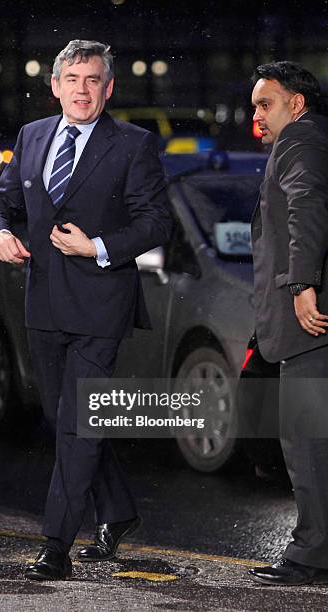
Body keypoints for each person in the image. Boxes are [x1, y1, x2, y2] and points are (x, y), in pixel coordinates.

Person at [0, 39, 172, 581]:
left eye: (93, 80)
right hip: (43, 302)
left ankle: (55, 545)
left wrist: (99, 247)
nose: (82, 90)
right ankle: (118, 511)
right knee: (65, 419)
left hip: (100, 305)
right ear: (55, 86)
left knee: (78, 423)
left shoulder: (133, 145)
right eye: (73, 79)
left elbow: (157, 222)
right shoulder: (32, 136)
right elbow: (0, 201)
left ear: (108, 89)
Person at [248, 61, 328, 586]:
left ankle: (311, 555)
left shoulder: (298, 142)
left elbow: (306, 207)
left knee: (307, 442)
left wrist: (301, 285)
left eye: (265, 104)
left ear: (295, 104)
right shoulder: (316, 139)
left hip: (310, 324)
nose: (256, 117)